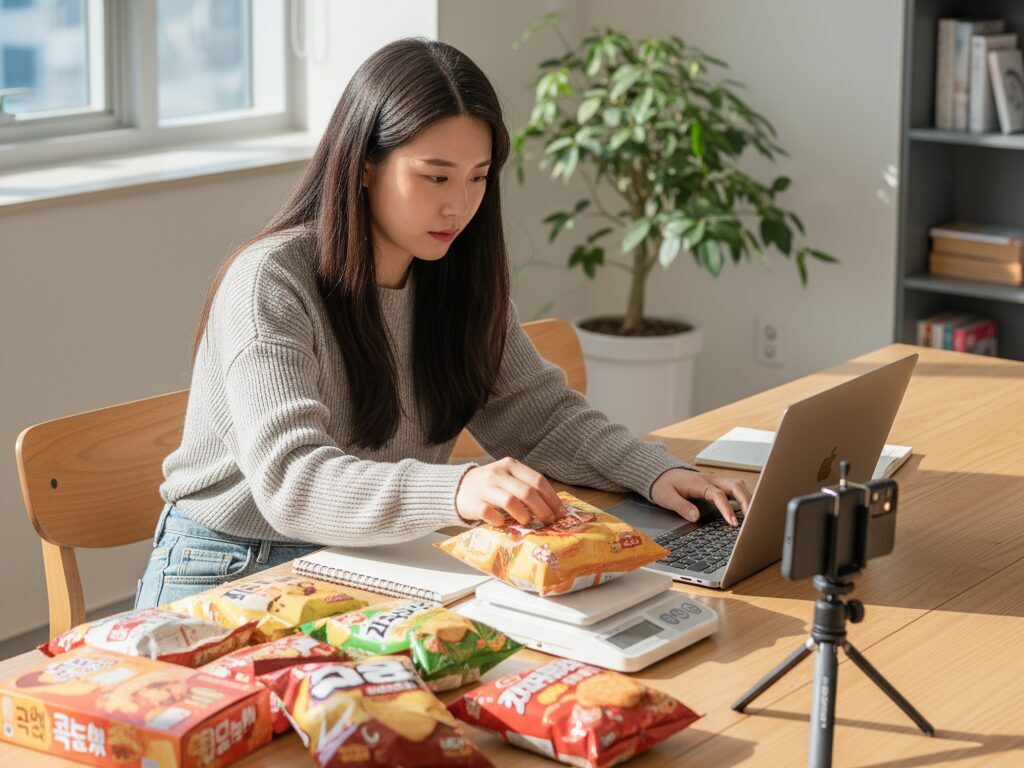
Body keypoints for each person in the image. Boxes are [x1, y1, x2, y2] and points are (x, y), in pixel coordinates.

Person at [134, 37, 750, 610]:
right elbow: (292, 481)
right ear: (365, 164)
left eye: (477, 178)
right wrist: (456, 490)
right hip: (233, 565)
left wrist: (655, 470)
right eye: (434, 177)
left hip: (379, 558)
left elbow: (536, 415)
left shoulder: (455, 275)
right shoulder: (271, 279)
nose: (458, 205)